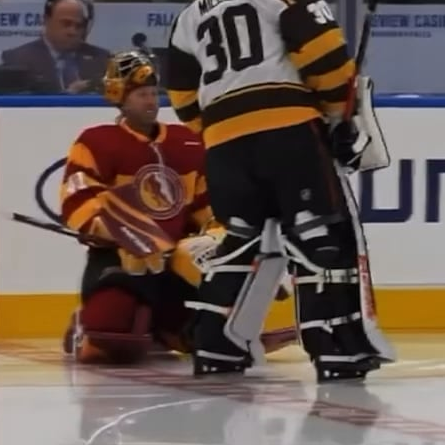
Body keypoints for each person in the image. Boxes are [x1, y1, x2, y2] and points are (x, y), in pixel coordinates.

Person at [163, 0, 394, 381]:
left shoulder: (190, 15)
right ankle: (338, 348)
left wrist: (222, 129)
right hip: (290, 133)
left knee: (240, 241)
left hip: (223, 146)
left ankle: (215, 346)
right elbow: (320, 50)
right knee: (319, 234)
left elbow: (183, 98)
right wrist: (339, 115)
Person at [59, 50, 294, 364]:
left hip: (175, 265)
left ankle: (176, 330)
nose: (151, 101)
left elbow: (211, 205)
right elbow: (79, 197)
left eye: (154, 93)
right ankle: (86, 325)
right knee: (110, 339)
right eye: (141, 94)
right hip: (120, 262)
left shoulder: (186, 142)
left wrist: (221, 241)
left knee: (201, 328)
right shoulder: (95, 142)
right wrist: (119, 232)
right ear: (119, 97)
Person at [0, 0, 110, 95]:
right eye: (66, 24)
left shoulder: (102, 59)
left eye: (78, 26)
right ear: (46, 20)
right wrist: (67, 94)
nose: (72, 31)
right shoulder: (17, 59)